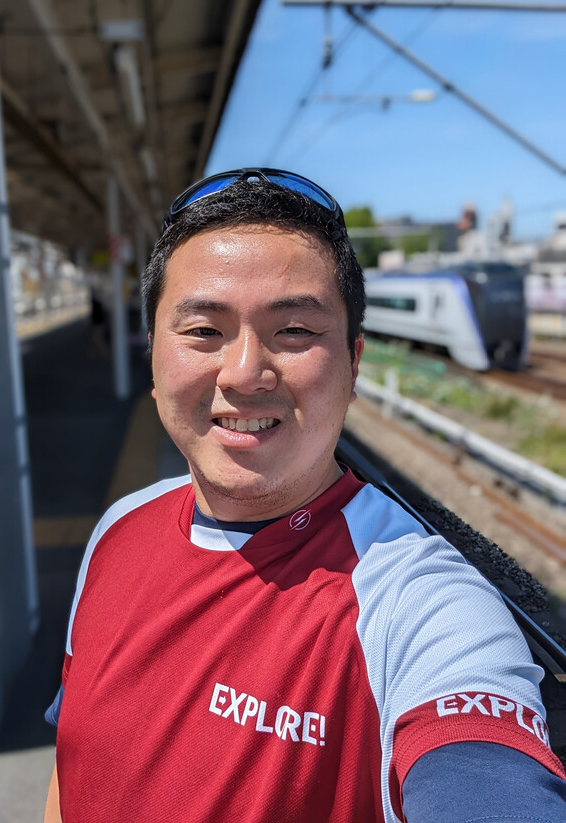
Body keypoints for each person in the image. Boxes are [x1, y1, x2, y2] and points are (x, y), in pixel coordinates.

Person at [44, 169, 565, 823]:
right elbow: (72, 764)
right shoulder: (118, 528)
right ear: (154, 360)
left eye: (293, 331)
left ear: (355, 365)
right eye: (204, 331)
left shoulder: (417, 602)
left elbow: (486, 777)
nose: (244, 373)